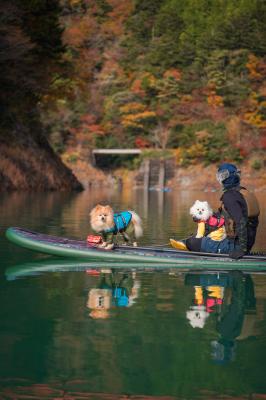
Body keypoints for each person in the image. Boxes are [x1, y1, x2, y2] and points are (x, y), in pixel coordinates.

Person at [186, 163, 260, 259]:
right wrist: (202, 218)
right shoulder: (243, 192)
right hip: (247, 241)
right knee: (198, 236)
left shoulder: (229, 196)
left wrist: (241, 249)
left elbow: (240, 222)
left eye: (223, 175)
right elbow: (223, 217)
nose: (221, 179)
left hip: (235, 246)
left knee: (191, 242)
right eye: (220, 176)